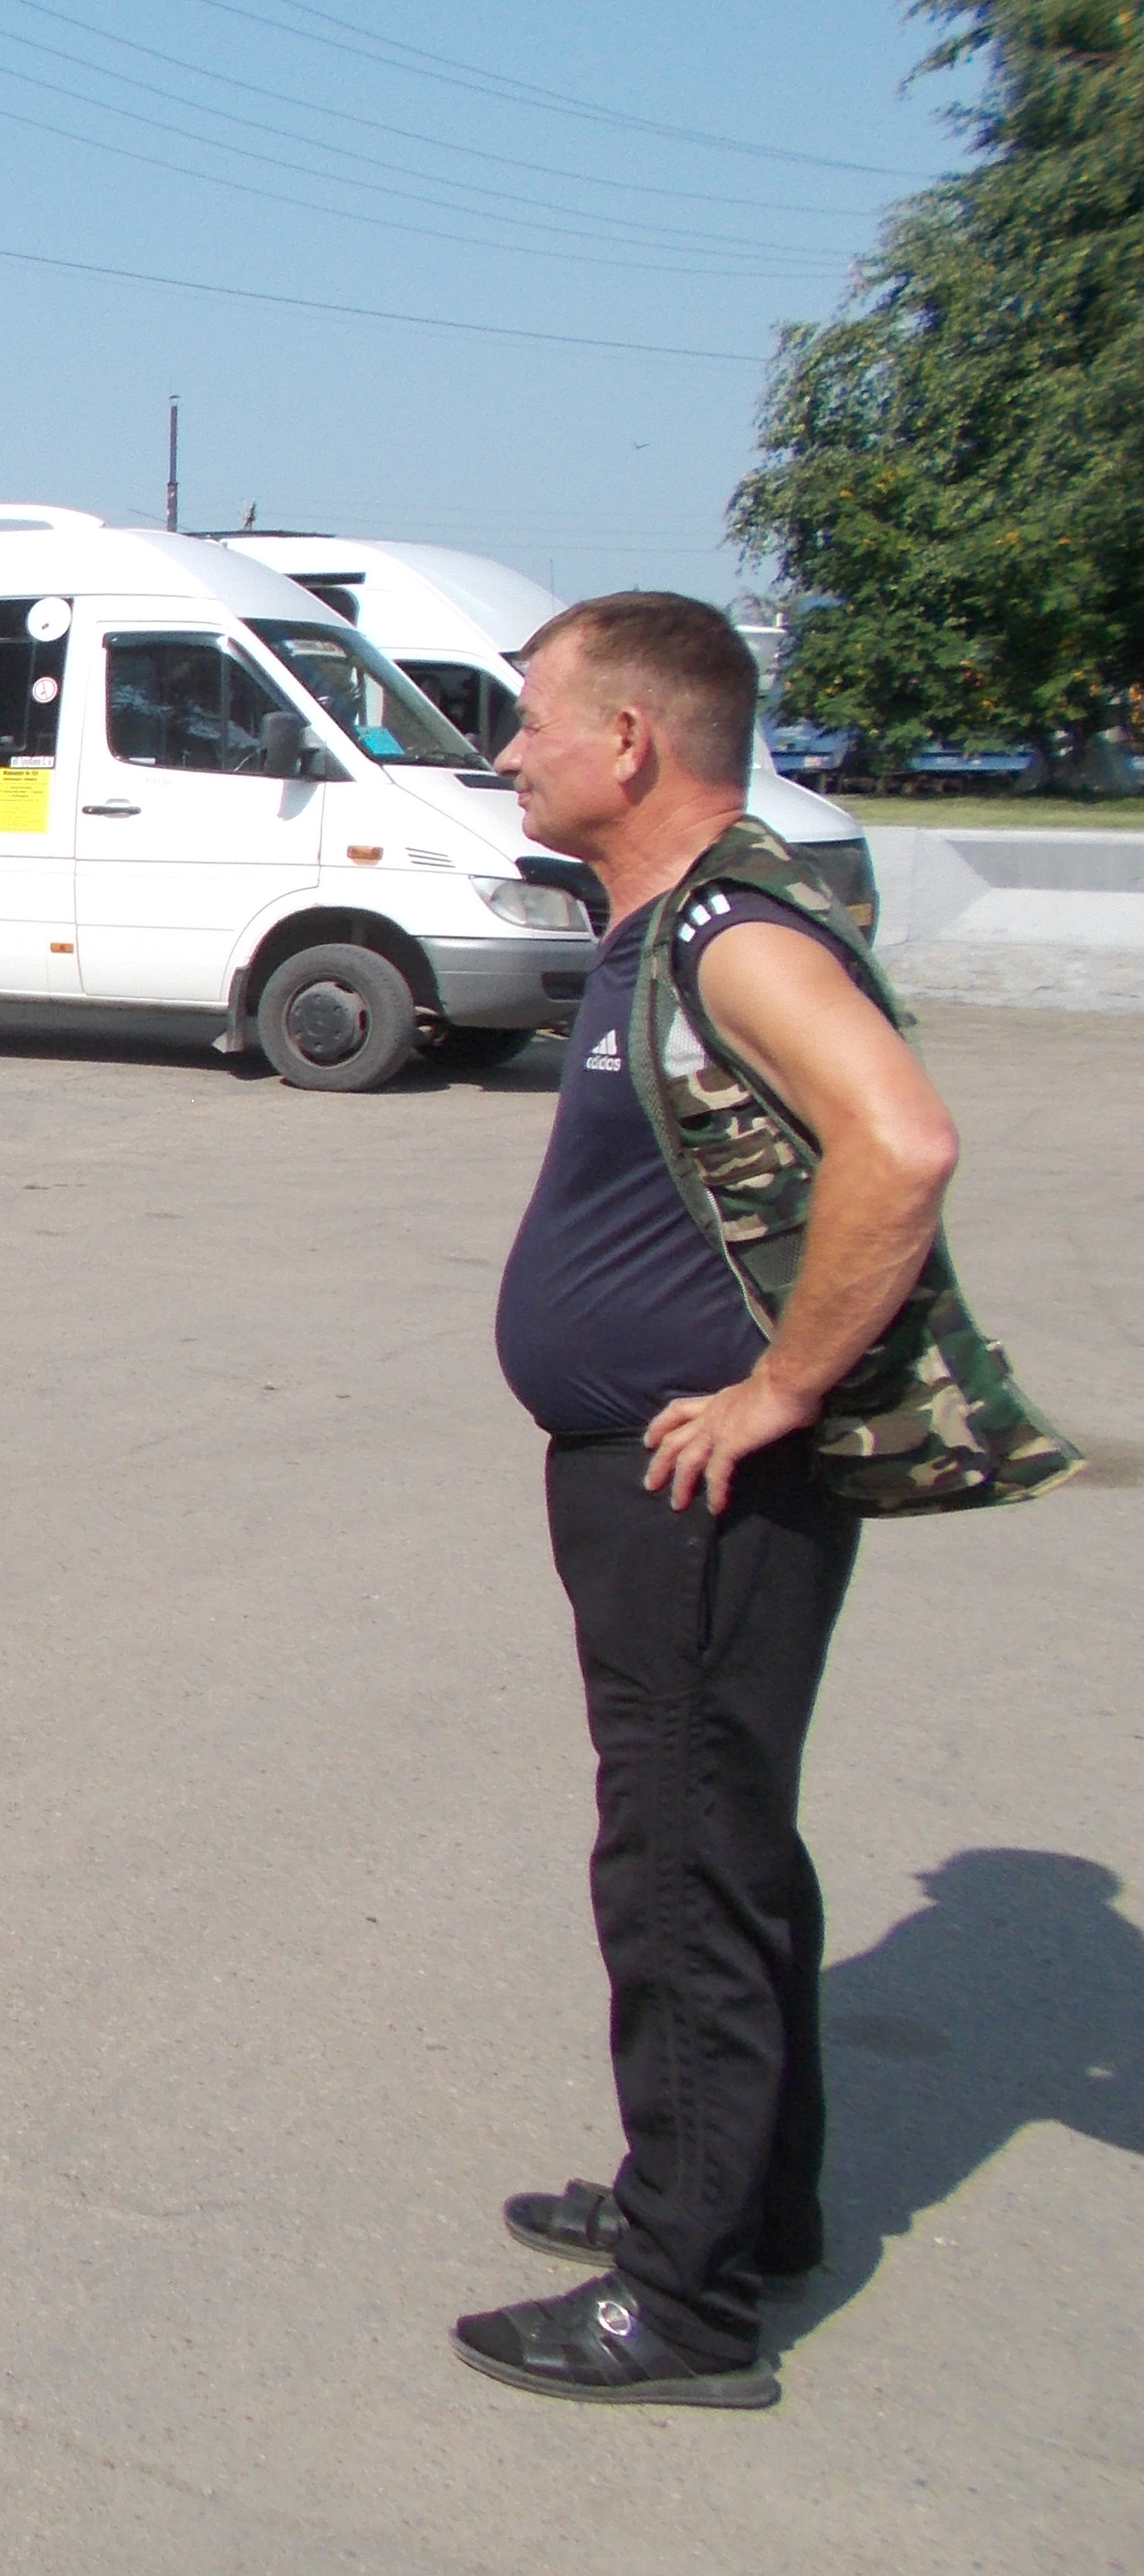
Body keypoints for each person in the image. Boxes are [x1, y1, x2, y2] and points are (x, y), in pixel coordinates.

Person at [462, 592, 963, 2407]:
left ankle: (682, 2307)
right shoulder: (660, 929)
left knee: (676, 1867)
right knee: (722, 1850)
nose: (510, 751)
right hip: (654, 1488)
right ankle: (741, 2205)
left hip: (699, 1497)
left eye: (531, 720)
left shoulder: (733, 934)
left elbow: (899, 1145)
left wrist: (782, 1388)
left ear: (630, 744)